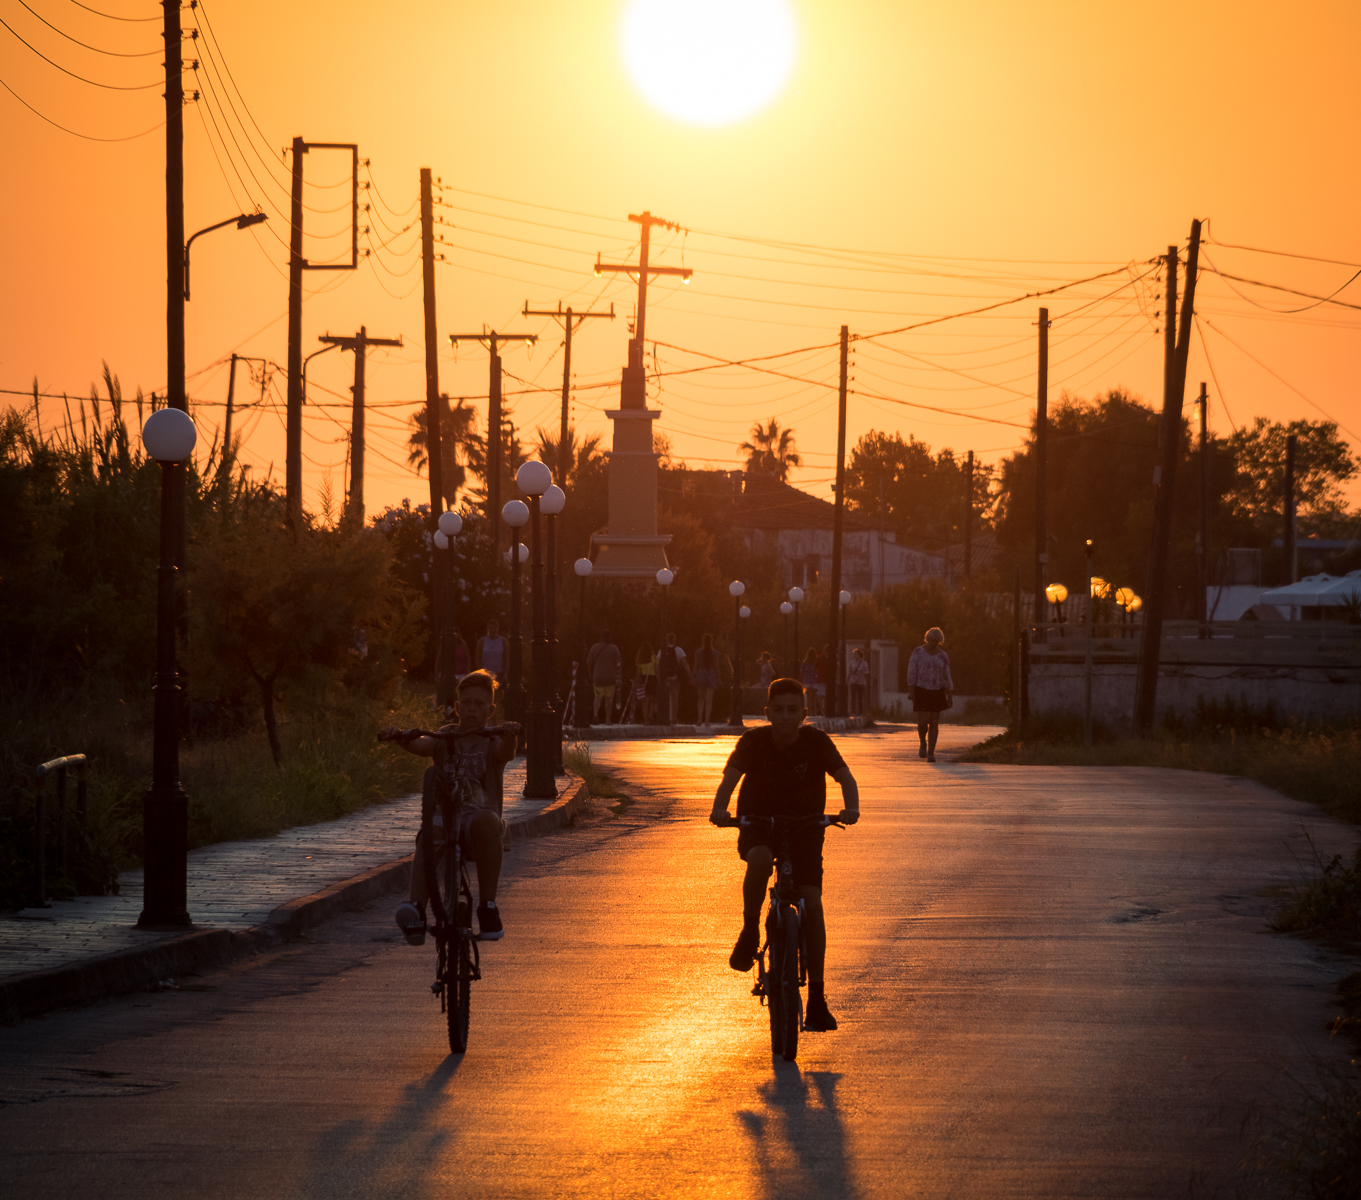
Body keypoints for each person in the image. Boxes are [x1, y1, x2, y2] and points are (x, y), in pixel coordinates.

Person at [709, 676, 860, 1032]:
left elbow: (846, 779)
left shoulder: (817, 742)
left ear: (805, 713)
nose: (786, 717)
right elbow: (729, 780)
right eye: (778, 710)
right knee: (760, 860)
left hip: (806, 827)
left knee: (812, 901)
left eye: (793, 710)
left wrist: (851, 808)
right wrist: (719, 809)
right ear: (767, 712)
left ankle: (818, 1000)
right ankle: (749, 932)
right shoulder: (753, 741)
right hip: (759, 823)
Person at [384, 670, 519, 944]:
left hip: (478, 821)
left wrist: (512, 734)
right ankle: (417, 912)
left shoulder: (492, 738)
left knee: (488, 823)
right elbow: (422, 745)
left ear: (490, 710)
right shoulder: (445, 737)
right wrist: (401, 738)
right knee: (428, 836)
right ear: (456, 707)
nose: (471, 709)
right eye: (466, 703)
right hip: (444, 820)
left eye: (479, 704)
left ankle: (488, 907)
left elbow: (506, 752)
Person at [907, 627, 954, 762]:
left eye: (937, 640)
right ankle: (923, 742)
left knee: (934, 721)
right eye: (932, 640)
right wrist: (911, 689)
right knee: (922, 722)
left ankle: (931, 752)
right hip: (921, 689)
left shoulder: (943, 656)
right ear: (927, 639)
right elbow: (911, 671)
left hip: (937, 690)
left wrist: (949, 694)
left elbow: (947, 674)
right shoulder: (917, 652)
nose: (934, 643)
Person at [586, 629, 621, 723]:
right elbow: (618, 665)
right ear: (610, 637)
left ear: (601, 636)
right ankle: (608, 719)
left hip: (598, 677)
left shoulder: (595, 647)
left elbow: (589, 662)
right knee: (609, 699)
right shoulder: (614, 648)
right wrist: (618, 677)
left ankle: (595, 715)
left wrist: (590, 673)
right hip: (610, 677)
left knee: (597, 698)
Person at [658, 632, 690, 724]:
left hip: (665, 678)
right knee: (675, 699)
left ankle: (666, 717)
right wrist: (690, 675)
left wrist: (659, 677)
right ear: (674, 639)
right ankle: (674, 718)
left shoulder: (662, 650)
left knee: (665, 699)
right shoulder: (679, 650)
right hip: (675, 678)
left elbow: (658, 664)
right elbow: (685, 663)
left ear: (667, 639)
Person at [693, 633, 721, 726]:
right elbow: (717, 667)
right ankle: (707, 720)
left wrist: (693, 676)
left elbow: (696, 665)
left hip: (701, 674)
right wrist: (719, 679)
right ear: (711, 641)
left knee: (700, 698)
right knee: (709, 700)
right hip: (711, 675)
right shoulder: (715, 653)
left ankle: (699, 719)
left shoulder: (698, 652)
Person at [635, 640, 657, 724]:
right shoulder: (654, 658)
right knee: (653, 700)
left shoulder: (640, 659)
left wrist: (638, 683)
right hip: (652, 679)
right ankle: (650, 716)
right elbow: (656, 670)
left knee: (645, 701)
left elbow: (638, 673)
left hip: (644, 679)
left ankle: (645, 719)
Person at [847, 647, 869, 717]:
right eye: (854, 654)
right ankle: (853, 711)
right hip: (853, 681)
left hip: (861, 682)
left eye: (856, 654)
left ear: (859, 655)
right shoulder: (851, 663)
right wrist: (847, 680)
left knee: (860, 697)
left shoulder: (864, 663)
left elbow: (866, 673)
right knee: (853, 697)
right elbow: (850, 672)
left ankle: (860, 712)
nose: (854, 656)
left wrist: (866, 682)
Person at [800, 648, 819, 716]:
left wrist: (802, 680)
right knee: (814, 697)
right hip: (814, 680)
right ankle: (814, 712)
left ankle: (809, 712)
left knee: (808, 697)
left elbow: (801, 672)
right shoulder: (816, 662)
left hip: (807, 680)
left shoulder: (804, 662)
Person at [815, 645, 830, 715]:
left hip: (825, 679)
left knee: (823, 696)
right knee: (822, 696)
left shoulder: (820, 658)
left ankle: (823, 709)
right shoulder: (820, 658)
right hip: (823, 679)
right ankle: (822, 710)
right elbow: (815, 667)